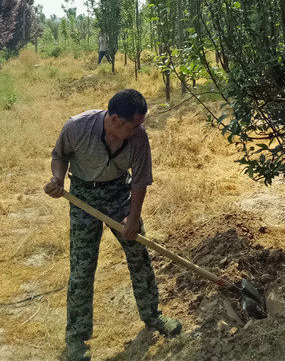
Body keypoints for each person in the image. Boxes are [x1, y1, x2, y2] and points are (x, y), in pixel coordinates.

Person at [44, 89, 182, 361]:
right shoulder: (77, 126)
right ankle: (76, 338)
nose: (139, 129)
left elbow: (141, 180)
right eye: (135, 124)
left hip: (120, 195)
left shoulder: (138, 138)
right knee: (82, 269)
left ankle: (153, 316)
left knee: (139, 256)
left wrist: (132, 219)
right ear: (116, 119)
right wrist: (58, 180)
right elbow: (59, 156)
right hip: (83, 196)